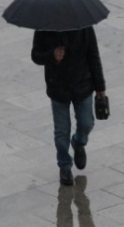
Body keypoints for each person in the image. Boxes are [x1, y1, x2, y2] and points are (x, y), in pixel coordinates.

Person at [31, 26, 106, 186]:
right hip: (58, 87)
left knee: (87, 123)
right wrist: (52, 55)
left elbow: (93, 55)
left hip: (83, 85)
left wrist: (100, 87)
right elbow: (35, 55)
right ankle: (64, 165)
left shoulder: (84, 26)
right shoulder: (45, 27)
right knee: (61, 130)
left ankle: (78, 143)